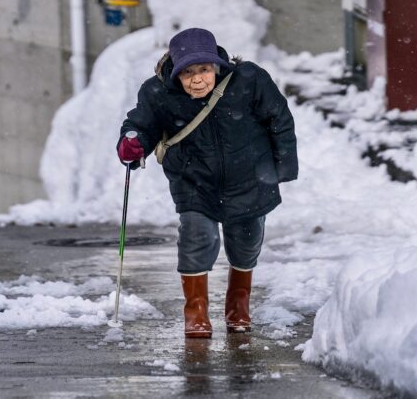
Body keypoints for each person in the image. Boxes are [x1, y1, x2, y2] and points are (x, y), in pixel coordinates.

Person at [117, 28, 298, 338]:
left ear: (217, 66)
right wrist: (132, 143)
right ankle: (196, 310)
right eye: (187, 73)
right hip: (194, 181)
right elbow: (140, 125)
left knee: (246, 240)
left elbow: (279, 118)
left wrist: (282, 167)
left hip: (249, 176)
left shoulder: (249, 80)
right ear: (175, 73)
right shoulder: (158, 92)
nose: (197, 79)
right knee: (197, 236)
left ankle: (238, 303)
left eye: (203, 70)